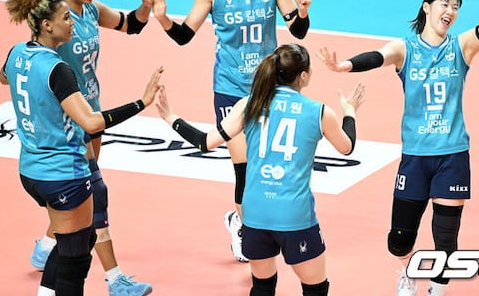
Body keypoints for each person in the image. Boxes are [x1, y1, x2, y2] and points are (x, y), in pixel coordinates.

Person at [317, 0, 479, 296]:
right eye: (445, 4)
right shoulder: (405, 49)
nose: (451, 11)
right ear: (427, 7)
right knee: (398, 241)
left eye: (456, 7)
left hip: (452, 155)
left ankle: (438, 286)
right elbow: (377, 56)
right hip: (415, 157)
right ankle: (408, 272)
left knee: (446, 238)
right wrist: (345, 65)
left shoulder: (462, 47)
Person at [152, 0, 312, 262]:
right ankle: (242, 225)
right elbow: (184, 35)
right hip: (230, 88)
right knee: (245, 166)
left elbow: (297, 31)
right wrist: (163, 18)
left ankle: (249, 220)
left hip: (268, 86)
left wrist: (302, 12)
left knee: (265, 163)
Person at [156, 43, 365, 296]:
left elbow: (204, 142)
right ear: (304, 76)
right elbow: (346, 147)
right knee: (315, 289)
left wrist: (170, 116)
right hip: (294, 215)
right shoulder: (319, 112)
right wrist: (350, 111)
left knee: (262, 287)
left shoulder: (249, 104)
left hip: (254, 213)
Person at [0, 0, 162, 295]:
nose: (72, 22)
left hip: (31, 170)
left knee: (79, 238)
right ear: (47, 26)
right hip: (62, 172)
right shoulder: (57, 69)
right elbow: (91, 121)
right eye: (65, 18)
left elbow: (3, 77)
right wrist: (141, 103)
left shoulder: (17, 53)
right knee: (75, 259)